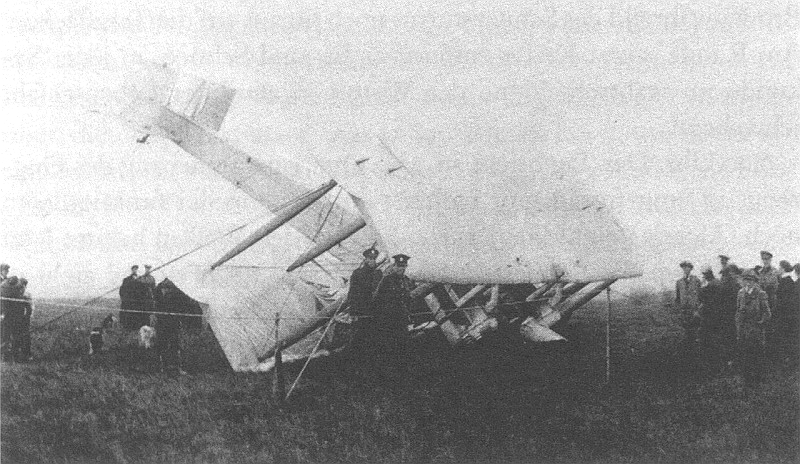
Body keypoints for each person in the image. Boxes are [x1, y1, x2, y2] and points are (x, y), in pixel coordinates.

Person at [371, 253, 412, 392]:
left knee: (402, 346)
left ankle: (400, 377)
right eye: (399, 266)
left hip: (401, 319)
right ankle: (384, 378)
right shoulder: (387, 280)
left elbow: (408, 298)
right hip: (388, 320)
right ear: (394, 266)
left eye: (403, 266)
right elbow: (376, 298)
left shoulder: (406, 280)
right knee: (388, 346)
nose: (401, 269)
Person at [736, 270, 771, 387]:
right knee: (744, 352)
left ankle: (758, 378)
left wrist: (760, 323)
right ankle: (746, 378)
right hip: (743, 328)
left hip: (755, 329)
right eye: (745, 280)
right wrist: (738, 324)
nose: (747, 283)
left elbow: (767, 313)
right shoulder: (740, 293)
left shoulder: (760, 294)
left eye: (750, 280)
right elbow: (738, 310)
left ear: (755, 282)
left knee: (756, 353)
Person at [346, 247, 383, 358]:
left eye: (374, 258)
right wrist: (353, 313)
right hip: (361, 312)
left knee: (373, 340)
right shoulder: (357, 273)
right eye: (370, 258)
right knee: (357, 340)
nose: (372, 261)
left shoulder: (378, 274)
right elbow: (352, 293)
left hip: (374, 313)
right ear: (366, 259)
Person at [154, 279, 185, 374]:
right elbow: (156, 309)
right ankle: (161, 367)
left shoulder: (175, 295)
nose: (164, 290)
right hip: (162, 324)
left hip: (173, 324)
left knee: (175, 345)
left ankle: (177, 368)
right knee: (162, 345)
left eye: (166, 288)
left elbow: (179, 309)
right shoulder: (158, 294)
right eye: (163, 288)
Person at [675, 261, 702, 367]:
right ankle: (688, 357)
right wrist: (679, 309)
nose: (686, 270)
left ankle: (697, 355)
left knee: (696, 331)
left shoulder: (696, 281)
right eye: (684, 268)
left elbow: (701, 296)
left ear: (691, 269)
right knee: (687, 332)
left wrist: (698, 309)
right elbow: (677, 298)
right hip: (684, 312)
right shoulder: (679, 282)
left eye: (688, 268)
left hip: (694, 311)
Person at [698, 267, 723, 361]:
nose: (704, 276)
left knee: (709, 337)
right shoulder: (717, 282)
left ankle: (711, 359)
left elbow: (702, 297)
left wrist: (703, 287)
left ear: (708, 274)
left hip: (710, 314)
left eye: (704, 274)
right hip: (717, 313)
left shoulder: (710, 284)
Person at [17, 278, 33, 361]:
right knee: (17, 335)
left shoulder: (27, 294)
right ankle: (19, 354)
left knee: (25, 336)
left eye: (23, 285)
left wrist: (27, 317)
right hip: (18, 318)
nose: (21, 287)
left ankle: (27, 354)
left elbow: (30, 308)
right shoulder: (17, 293)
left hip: (25, 318)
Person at [119, 265, 140, 329]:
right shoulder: (126, 280)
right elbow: (122, 291)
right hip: (128, 302)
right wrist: (124, 299)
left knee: (135, 315)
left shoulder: (139, 280)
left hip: (136, 302)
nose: (135, 270)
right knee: (127, 315)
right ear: (132, 270)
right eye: (134, 269)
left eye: (136, 269)